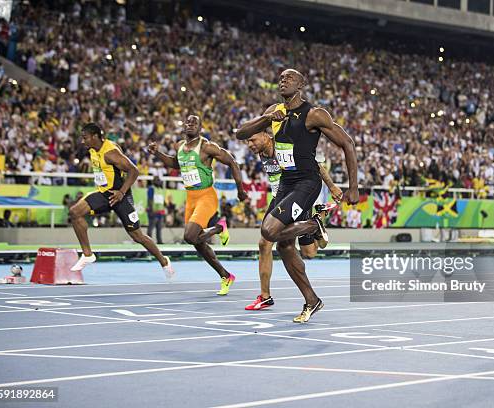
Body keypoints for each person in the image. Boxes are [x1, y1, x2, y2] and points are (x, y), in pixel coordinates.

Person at [236, 69, 359, 322]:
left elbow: (347, 143)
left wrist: (353, 186)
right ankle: (312, 300)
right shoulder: (274, 112)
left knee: (269, 232)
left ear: (301, 85)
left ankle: (314, 224)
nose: (283, 81)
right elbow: (240, 133)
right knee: (283, 245)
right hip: (286, 183)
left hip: (307, 182)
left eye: (289, 78)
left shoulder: (314, 114)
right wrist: (267, 118)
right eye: (280, 78)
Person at [148, 114, 247, 295]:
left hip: (206, 196)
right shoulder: (179, 146)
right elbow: (175, 164)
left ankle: (219, 227)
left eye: (195, 123)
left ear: (200, 128)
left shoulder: (207, 147)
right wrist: (157, 153)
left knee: (189, 236)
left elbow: (232, 161)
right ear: (183, 126)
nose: (190, 124)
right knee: (198, 243)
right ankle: (226, 276)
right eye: (188, 122)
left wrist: (240, 190)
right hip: (190, 198)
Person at [244, 130, 342, 310]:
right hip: (279, 198)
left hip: (297, 196)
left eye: (252, 140)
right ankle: (265, 296)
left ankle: (314, 223)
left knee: (309, 252)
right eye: (247, 142)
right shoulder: (261, 152)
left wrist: (332, 185)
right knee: (265, 242)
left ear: (267, 136)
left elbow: (316, 166)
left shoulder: (283, 148)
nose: (249, 145)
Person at [69, 123, 174, 278]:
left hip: (121, 196)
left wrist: (121, 192)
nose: (82, 141)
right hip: (105, 194)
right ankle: (87, 254)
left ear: (95, 136)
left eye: (85, 138)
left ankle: (164, 261)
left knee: (138, 236)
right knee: (75, 212)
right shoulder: (92, 149)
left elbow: (134, 170)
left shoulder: (110, 153)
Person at [146, 176, 165, 244]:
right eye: (158, 180)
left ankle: (159, 241)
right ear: (154, 181)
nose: (159, 181)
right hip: (153, 211)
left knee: (159, 228)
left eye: (159, 180)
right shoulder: (151, 188)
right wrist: (151, 210)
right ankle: (148, 242)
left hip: (160, 212)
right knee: (151, 228)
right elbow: (150, 199)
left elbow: (161, 201)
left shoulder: (160, 189)